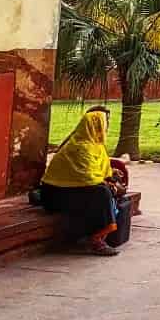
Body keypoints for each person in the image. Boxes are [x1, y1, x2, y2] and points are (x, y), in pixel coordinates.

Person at [39, 108, 127, 257]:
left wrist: (112, 176)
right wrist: (111, 186)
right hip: (54, 195)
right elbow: (90, 179)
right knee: (103, 193)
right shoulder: (79, 147)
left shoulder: (96, 146)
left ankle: (97, 233)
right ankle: (96, 240)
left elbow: (99, 173)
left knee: (108, 188)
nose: (106, 127)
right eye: (105, 123)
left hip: (72, 190)